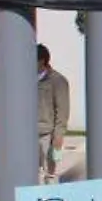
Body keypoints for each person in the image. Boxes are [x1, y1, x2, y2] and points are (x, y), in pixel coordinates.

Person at [36, 45, 70, 184]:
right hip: (25, 133)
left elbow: (62, 110)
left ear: (42, 60)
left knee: (48, 176)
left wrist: (58, 136)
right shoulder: (23, 79)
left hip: (46, 133)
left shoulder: (57, 80)